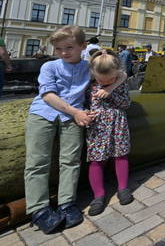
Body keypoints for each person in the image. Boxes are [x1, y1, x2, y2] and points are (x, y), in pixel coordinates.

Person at [23, 26, 124, 234]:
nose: (63, 53)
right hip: (44, 114)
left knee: (70, 161)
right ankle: (39, 208)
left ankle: (66, 203)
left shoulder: (88, 67)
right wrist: (76, 112)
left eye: (69, 47)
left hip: (72, 117)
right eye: (59, 49)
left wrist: (109, 88)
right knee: (37, 161)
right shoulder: (49, 67)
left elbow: (120, 74)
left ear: (83, 47)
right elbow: (47, 95)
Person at [86, 49, 133, 216]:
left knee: (120, 155)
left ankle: (123, 188)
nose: (106, 82)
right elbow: (84, 103)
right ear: (94, 75)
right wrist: (85, 113)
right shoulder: (91, 86)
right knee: (96, 160)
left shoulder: (119, 83)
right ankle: (98, 195)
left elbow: (126, 103)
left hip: (118, 125)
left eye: (110, 79)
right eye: (102, 80)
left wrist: (111, 92)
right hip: (98, 128)